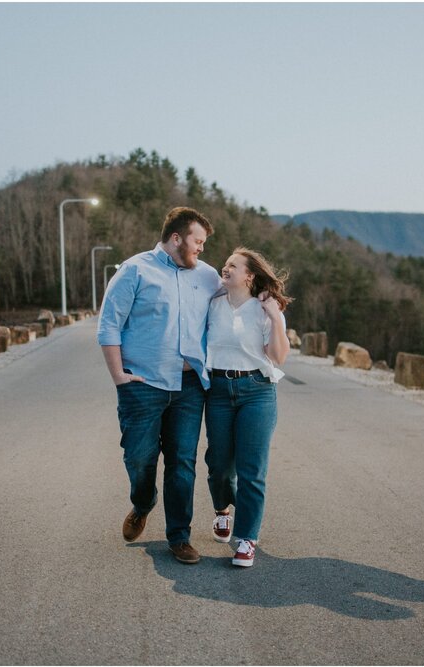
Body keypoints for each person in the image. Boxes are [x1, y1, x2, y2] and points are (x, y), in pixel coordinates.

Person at [97, 206, 222, 564]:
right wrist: (119, 377)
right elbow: (109, 326)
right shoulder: (134, 270)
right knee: (139, 458)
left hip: (189, 387)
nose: (201, 249)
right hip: (142, 384)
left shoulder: (209, 276)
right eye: (198, 241)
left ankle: (179, 536)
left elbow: (234, 303)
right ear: (177, 238)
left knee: (183, 462)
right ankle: (142, 502)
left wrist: (268, 302)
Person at [203, 247, 292, 567]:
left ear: (249, 276)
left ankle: (246, 538)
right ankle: (222, 511)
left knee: (252, 470)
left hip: (257, 391)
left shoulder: (265, 309)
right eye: (225, 264)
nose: (225, 269)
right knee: (219, 465)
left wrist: (274, 317)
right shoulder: (212, 304)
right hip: (217, 390)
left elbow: (279, 357)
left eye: (233, 266)